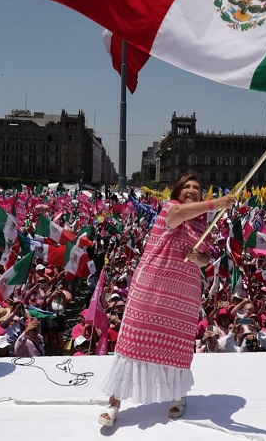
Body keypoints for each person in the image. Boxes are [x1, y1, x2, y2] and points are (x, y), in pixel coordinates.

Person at [98, 174, 236, 427]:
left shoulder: (202, 223)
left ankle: (178, 395)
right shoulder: (169, 209)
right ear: (178, 192)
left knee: (177, 347)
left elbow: (206, 259)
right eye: (187, 187)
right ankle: (114, 402)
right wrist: (216, 203)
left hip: (182, 293)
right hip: (151, 287)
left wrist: (198, 258)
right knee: (132, 344)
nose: (192, 190)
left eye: (197, 187)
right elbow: (179, 214)